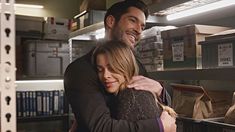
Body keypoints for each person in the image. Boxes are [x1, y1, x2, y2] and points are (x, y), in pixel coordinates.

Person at [64, 0, 176, 132]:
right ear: (111, 21)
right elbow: (101, 127)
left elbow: (160, 104)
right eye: (132, 20)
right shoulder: (81, 70)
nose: (138, 30)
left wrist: (160, 91)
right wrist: (158, 126)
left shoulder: (136, 64)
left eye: (142, 26)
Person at [92, 40, 177, 122]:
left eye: (111, 68)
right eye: (100, 70)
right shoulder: (128, 93)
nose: (105, 75)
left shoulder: (130, 97)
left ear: (126, 65)